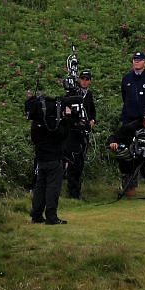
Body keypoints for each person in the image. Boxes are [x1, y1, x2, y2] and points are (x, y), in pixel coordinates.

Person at [25, 90, 72, 225]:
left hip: (40, 157)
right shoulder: (52, 122)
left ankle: (36, 214)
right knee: (53, 186)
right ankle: (51, 216)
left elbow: (34, 139)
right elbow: (63, 134)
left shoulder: (36, 122)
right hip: (53, 157)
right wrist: (67, 119)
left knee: (40, 186)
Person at [62, 67, 98, 200]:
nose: (84, 81)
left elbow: (92, 111)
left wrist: (92, 121)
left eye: (87, 79)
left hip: (84, 132)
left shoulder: (88, 95)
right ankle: (72, 193)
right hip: (73, 132)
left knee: (80, 163)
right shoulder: (72, 93)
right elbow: (66, 111)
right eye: (82, 79)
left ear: (90, 81)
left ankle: (77, 191)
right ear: (78, 80)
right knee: (73, 161)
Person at [120, 50, 145, 126]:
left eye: (139, 60)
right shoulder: (126, 78)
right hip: (129, 118)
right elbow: (124, 96)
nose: (136, 62)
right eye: (135, 60)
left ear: (144, 63)